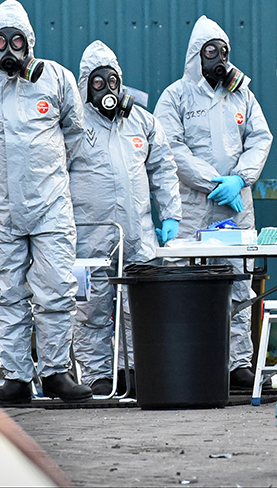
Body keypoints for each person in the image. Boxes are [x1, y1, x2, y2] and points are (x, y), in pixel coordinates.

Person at [0, 0, 92, 404]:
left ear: (29, 42)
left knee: (56, 290)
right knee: (7, 291)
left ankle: (55, 373)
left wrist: (40, 169)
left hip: (49, 205)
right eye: (1, 42)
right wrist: (0, 168)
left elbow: (75, 132)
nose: (8, 50)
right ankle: (15, 378)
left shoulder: (57, 80)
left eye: (16, 41)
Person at [154, 15, 273, 391]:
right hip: (193, 208)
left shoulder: (243, 95)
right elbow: (170, 147)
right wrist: (211, 182)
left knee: (239, 284)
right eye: (210, 51)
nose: (218, 58)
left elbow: (261, 138)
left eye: (223, 51)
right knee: (191, 285)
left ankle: (239, 364)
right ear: (195, 55)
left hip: (237, 206)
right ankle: (191, 360)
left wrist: (240, 178)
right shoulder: (175, 96)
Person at [68, 40, 182, 396]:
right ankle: (99, 375)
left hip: (138, 233)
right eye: (98, 83)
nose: (108, 90)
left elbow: (163, 168)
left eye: (113, 81)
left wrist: (172, 216)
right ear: (86, 85)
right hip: (90, 234)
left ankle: (136, 370)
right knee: (93, 309)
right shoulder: (71, 125)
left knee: (139, 309)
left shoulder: (142, 121)